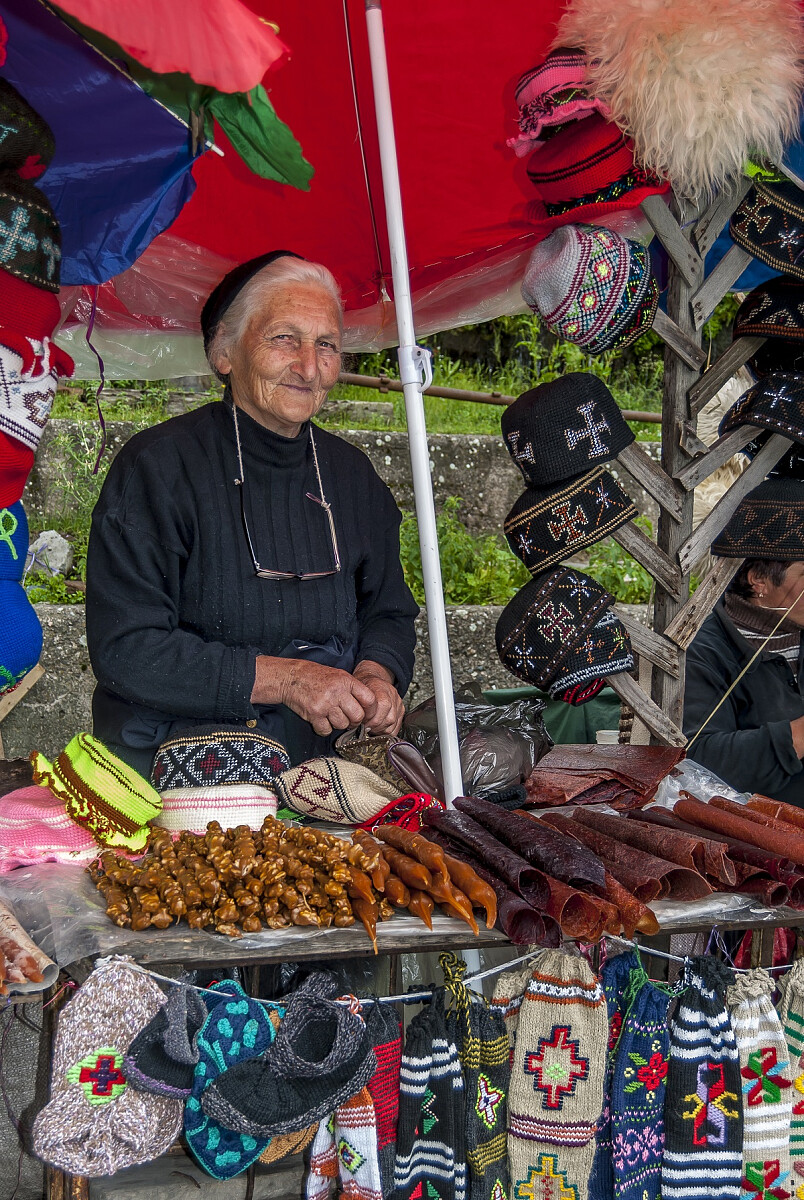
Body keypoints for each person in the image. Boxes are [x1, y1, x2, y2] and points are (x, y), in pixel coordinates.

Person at [85, 251, 418, 777]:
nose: (309, 367)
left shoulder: (354, 477)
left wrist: (379, 677)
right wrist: (289, 680)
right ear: (224, 351)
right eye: (284, 338)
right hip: (183, 770)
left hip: (322, 774)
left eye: (326, 345)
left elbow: (390, 612)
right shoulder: (158, 468)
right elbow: (128, 648)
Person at [683, 477, 804, 804]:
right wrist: (797, 737)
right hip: (763, 841)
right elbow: (700, 763)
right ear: (759, 580)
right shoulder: (705, 651)